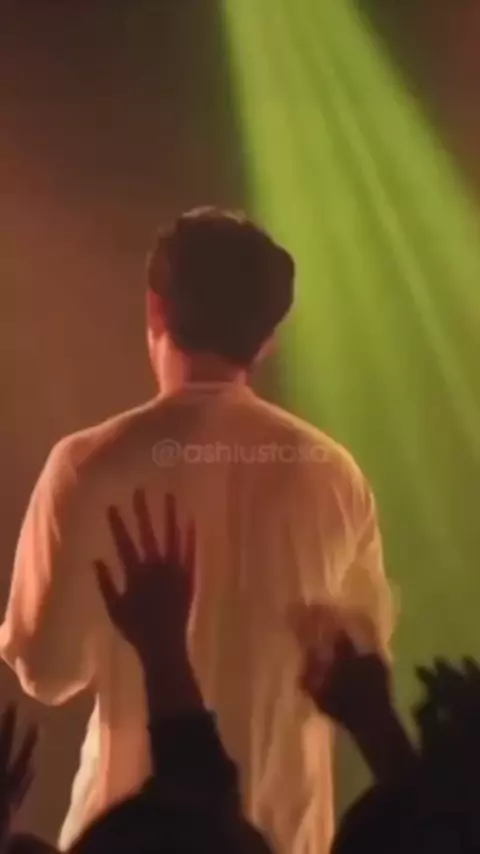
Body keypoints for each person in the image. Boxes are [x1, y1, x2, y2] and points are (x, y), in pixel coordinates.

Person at [0, 207, 394, 854]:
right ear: (269, 337)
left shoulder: (90, 464)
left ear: (156, 307)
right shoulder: (335, 473)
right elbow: (360, 658)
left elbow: (46, 668)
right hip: (288, 837)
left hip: (129, 835)